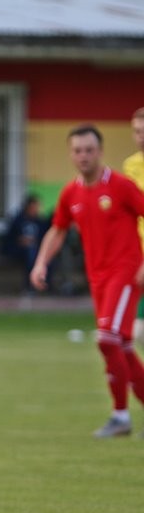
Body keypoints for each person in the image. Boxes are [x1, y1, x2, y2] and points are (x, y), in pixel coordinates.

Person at [31, 124, 144, 438]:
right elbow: (58, 229)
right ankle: (123, 415)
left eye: (89, 150)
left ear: (100, 152)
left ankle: (120, 416)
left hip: (125, 272)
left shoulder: (121, 186)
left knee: (106, 339)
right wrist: (41, 263)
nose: (84, 156)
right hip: (98, 278)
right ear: (71, 154)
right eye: (78, 151)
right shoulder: (71, 193)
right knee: (121, 345)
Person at [122, 107, 144, 342]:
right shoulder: (130, 165)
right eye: (137, 131)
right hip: (136, 249)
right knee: (136, 331)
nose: (141, 137)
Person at [0, 193, 50, 292]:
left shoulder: (40, 221)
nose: (36, 209)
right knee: (30, 253)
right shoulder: (18, 220)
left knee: (45, 256)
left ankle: (45, 285)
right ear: (28, 207)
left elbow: (45, 237)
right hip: (18, 251)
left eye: (37, 207)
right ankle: (30, 286)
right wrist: (20, 240)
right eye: (34, 207)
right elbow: (8, 239)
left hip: (36, 250)